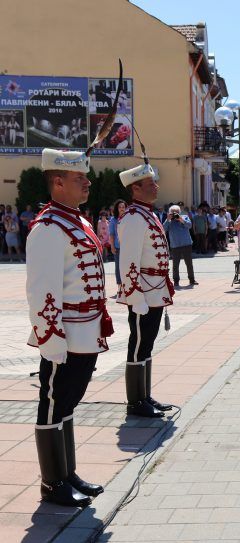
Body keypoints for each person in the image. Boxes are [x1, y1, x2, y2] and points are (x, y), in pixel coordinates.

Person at [27, 148, 115, 506]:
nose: (88, 182)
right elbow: (41, 289)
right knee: (52, 403)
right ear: (58, 181)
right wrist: (50, 338)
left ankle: (68, 472)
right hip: (64, 332)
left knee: (68, 402)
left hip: (86, 329)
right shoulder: (48, 228)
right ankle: (52, 483)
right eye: (80, 178)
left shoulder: (79, 222)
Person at [117, 162, 174, 418]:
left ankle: (144, 395)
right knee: (138, 344)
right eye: (151, 184)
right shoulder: (133, 218)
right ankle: (135, 402)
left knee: (147, 344)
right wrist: (134, 295)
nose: (156, 186)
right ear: (136, 188)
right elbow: (128, 260)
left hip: (155, 290)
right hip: (143, 292)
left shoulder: (147, 214)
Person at [163, 204, 196, 287]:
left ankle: (192, 280)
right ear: (170, 213)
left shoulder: (184, 217)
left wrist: (181, 219)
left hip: (186, 244)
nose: (175, 214)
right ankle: (176, 281)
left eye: (177, 212)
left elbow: (189, 225)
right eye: (173, 212)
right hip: (175, 245)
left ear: (179, 212)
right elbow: (163, 229)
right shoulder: (169, 221)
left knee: (189, 263)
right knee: (175, 265)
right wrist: (168, 220)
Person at [109, 200, 126, 286]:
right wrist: (112, 246)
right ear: (117, 209)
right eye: (120, 207)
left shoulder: (129, 218)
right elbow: (111, 234)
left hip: (128, 247)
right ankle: (119, 285)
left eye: (123, 207)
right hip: (118, 247)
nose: (122, 209)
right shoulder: (113, 220)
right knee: (118, 266)